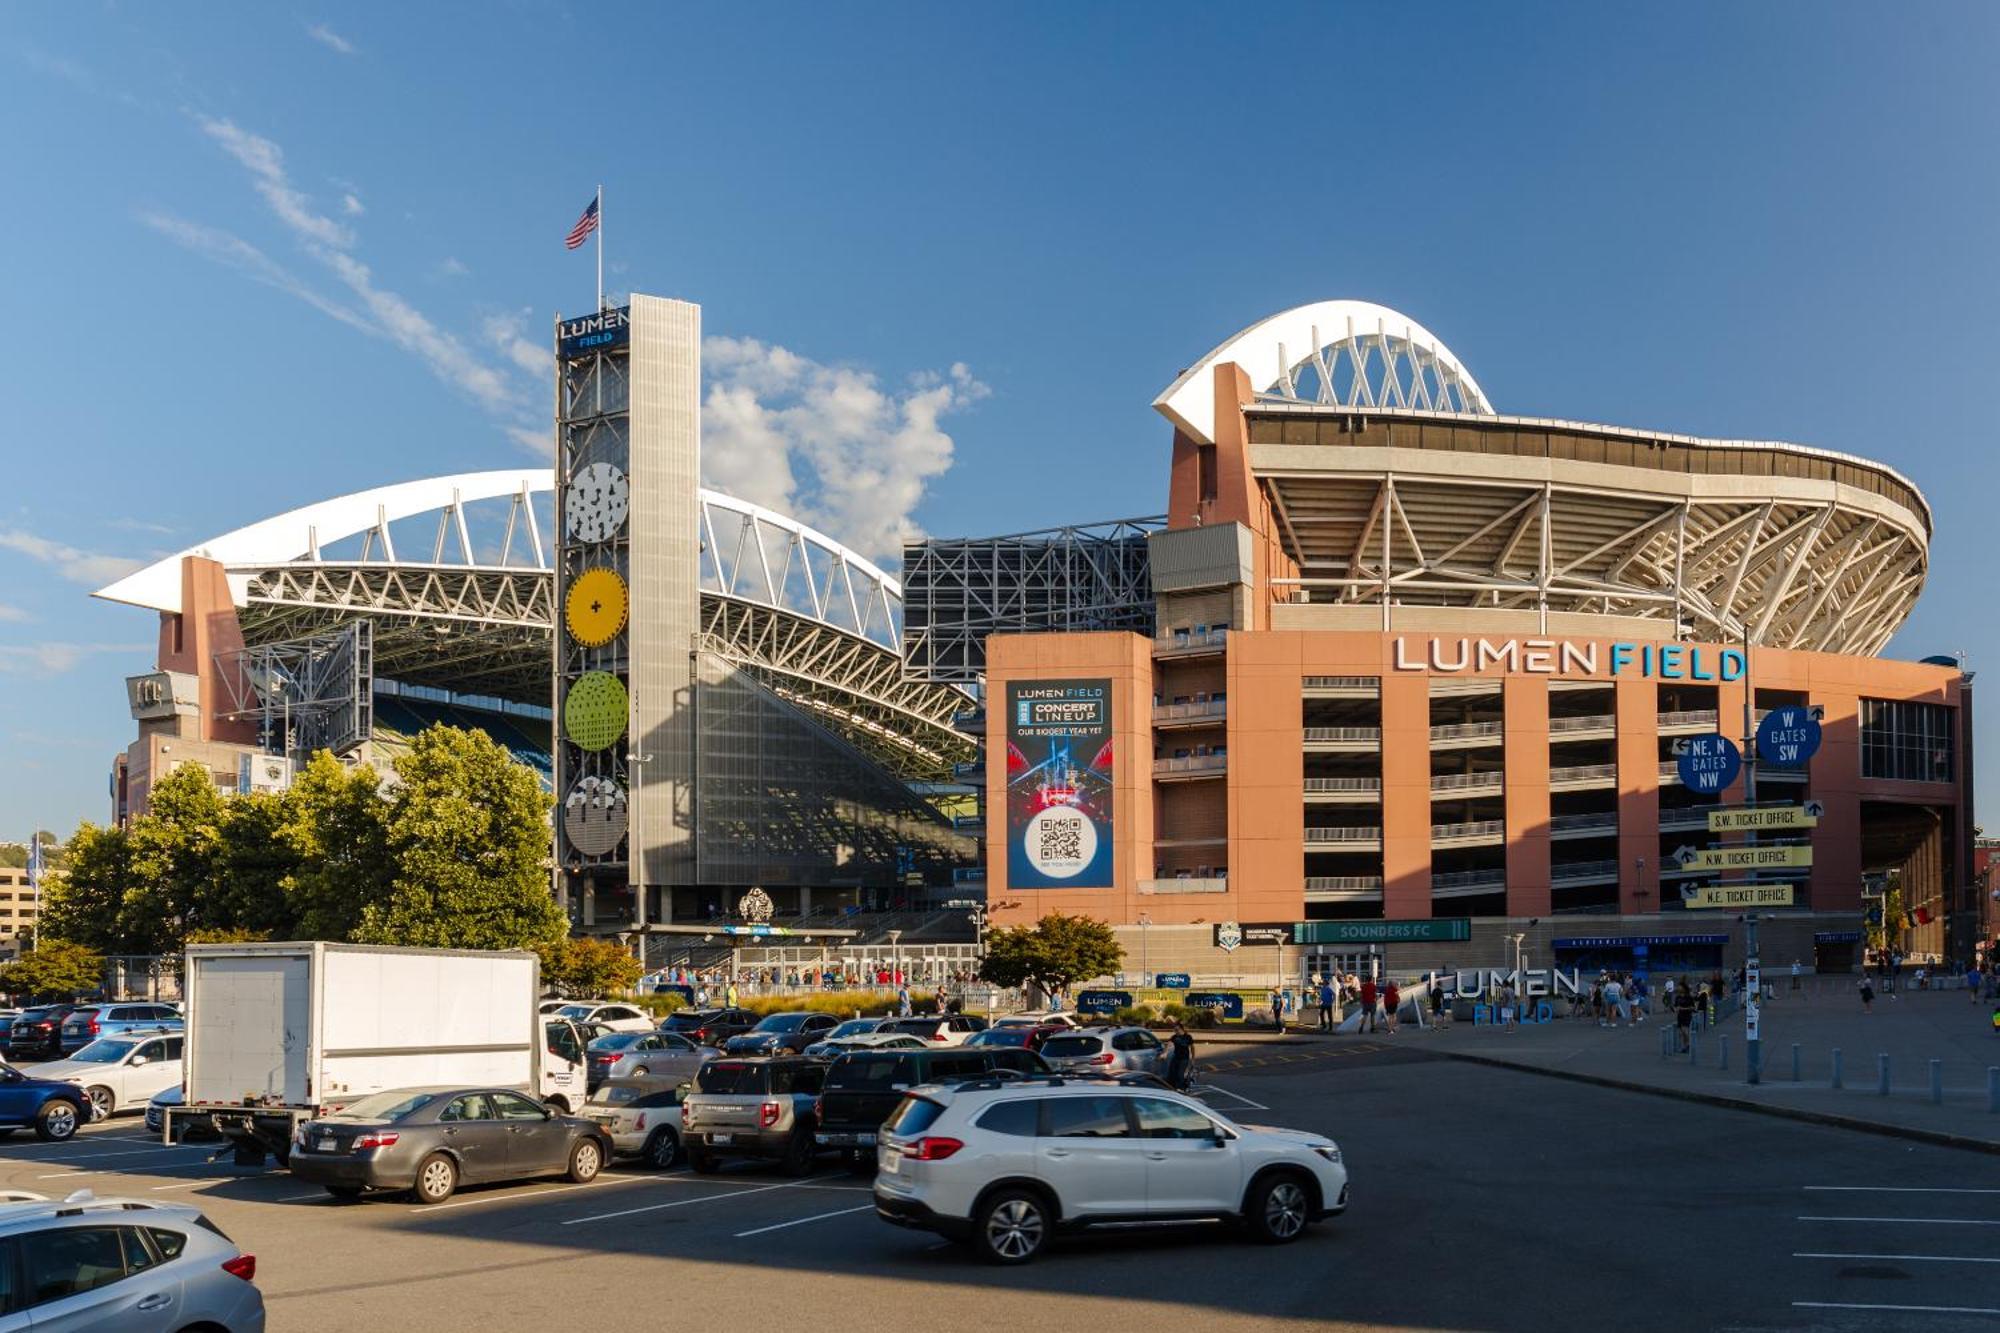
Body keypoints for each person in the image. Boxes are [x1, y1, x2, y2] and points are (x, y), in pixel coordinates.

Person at [1166, 1020, 1195, 1091]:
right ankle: (1172, 1087)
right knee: (1171, 1073)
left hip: (1184, 1058)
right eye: (1174, 1030)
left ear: (1181, 1029)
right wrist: (1165, 1053)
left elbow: (1192, 1047)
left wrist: (1193, 1058)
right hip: (1175, 1057)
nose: (1176, 1031)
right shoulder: (1174, 1037)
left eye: (1177, 1030)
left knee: (1180, 1074)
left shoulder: (1188, 1037)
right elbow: (1168, 1044)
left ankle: (1181, 1088)